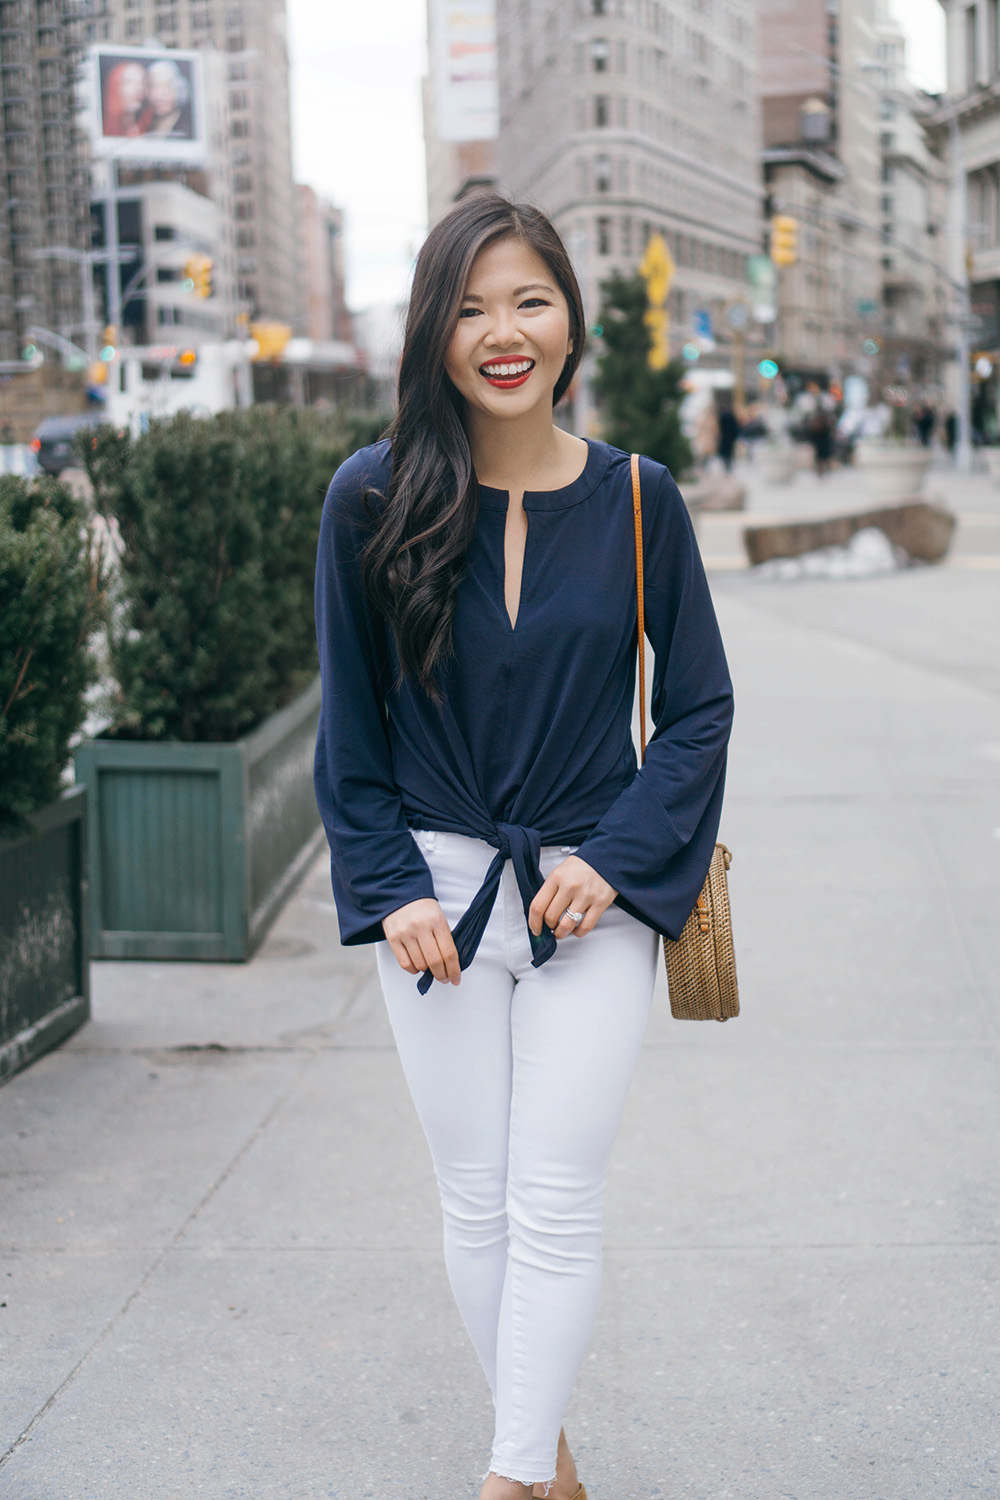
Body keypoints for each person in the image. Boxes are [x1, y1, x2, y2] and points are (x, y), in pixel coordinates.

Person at [313, 194, 733, 1500]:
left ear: (570, 321)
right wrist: (389, 891)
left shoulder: (637, 500)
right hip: (432, 904)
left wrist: (613, 859)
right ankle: (544, 1468)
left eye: (528, 300)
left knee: (553, 1200)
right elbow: (350, 718)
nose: (502, 331)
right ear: (433, 329)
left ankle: (504, 1487)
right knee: (475, 1200)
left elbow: (700, 708)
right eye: (470, 304)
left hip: (584, 897)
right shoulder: (370, 495)